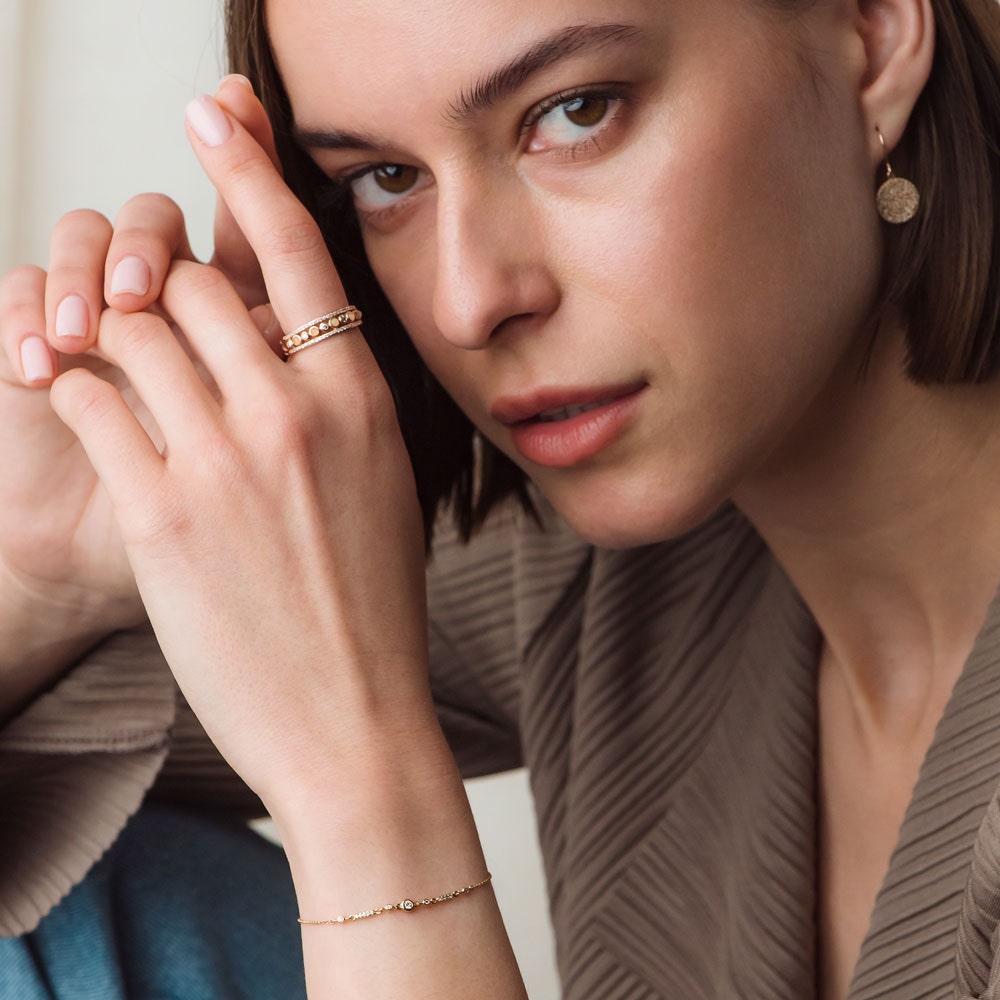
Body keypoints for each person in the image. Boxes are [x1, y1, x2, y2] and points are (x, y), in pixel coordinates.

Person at [1, 0, 1000, 996]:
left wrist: (364, 799)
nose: (467, 298)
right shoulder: (602, 576)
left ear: (872, 36)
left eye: (573, 112)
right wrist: (42, 575)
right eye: (385, 179)